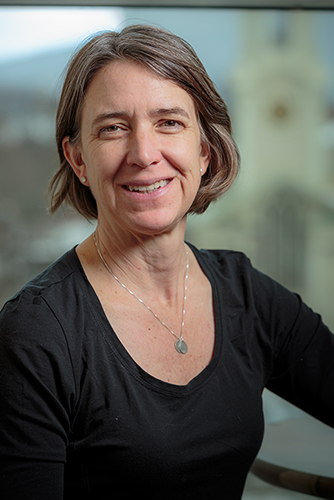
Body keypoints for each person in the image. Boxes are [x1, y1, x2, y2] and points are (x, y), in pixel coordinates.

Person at [0, 24, 333, 500]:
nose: (143, 153)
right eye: (114, 128)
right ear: (77, 160)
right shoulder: (37, 332)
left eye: (169, 122)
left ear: (204, 150)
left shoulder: (246, 294)